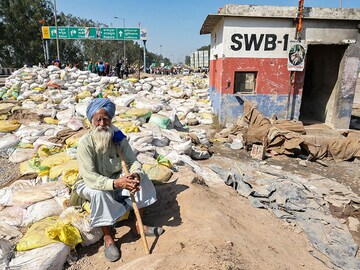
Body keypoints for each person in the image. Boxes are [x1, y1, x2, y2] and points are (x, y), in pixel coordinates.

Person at [74, 98, 163, 262]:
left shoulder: (117, 137)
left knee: (141, 181)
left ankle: (138, 225)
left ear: (111, 119)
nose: (102, 123)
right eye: (98, 119)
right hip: (90, 184)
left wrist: (135, 175)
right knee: (99, 193)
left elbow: (133, 161)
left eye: (105, 118)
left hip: (115, 179)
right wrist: (116, 183)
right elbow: (90, 177)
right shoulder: (85, 144)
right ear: (92, 122)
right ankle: (108, 238)